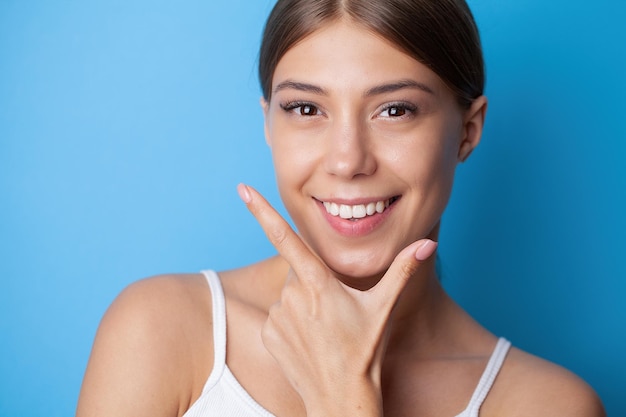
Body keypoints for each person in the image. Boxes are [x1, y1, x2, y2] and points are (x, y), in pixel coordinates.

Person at [76, 0, 606, 416]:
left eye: (395, 110)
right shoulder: (161, 330)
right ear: (268, 123)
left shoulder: (547, 405)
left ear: (468, 131)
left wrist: (343, 399)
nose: (347, 160)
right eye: (306, 109)